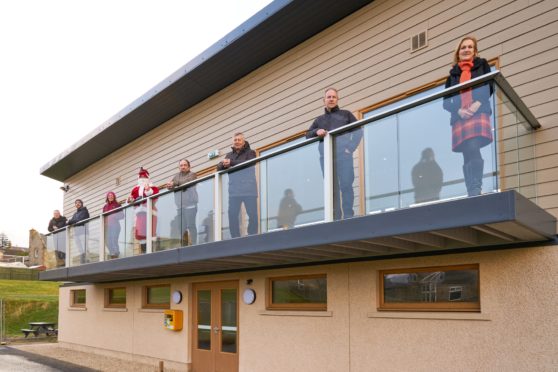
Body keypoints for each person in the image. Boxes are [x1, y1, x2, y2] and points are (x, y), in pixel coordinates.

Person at [443, 36, 493, 197]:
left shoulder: (482, 65)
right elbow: (445, 102)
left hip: (478, 112)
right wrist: (459, 111)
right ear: (458, 52)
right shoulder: (452, 75)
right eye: (463, 47)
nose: (466, 50)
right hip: (460, 117)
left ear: (475, 51)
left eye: (470, 47)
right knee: (466, 152)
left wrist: (477, 104)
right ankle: (471, 190)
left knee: (473, 146)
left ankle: (475, 188)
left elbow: (490, 85)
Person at [306, 87, 362, 219]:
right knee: (332, 188)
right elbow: (307, 135)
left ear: (337, 99)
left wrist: (350, 148)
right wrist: (316, 131)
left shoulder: (346, 114)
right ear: (323, 100)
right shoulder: (319, 120)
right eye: (328, 97)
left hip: (344, 156)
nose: (331, 99)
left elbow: (358, 131)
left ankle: (348, 215)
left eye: (333, 97)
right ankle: (336, 217)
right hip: (326, 158)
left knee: (346, 185)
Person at [217, 133, 258, 238]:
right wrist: (223, 164)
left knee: (252, 214)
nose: (237, 141)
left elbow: (248, 163)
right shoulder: (229, 155)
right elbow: (219, 168)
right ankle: (235, 236)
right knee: (232, 215)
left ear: (243, 141)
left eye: (239, 140)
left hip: (249, 189)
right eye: (235, 140)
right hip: (234, 190)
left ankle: (252, 234)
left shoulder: (251, 152)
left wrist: (231, 163)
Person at [166, 159, 198, 245]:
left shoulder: (192, 174)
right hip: (180, 206)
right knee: (181, 228)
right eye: (181, 165)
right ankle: (184, 246)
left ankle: (194, 244)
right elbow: (172, 186)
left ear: (188, 166)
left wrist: (174, 184)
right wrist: (169, 186)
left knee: (191, 225)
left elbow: (187, 183)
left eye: (185, 165)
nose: (183, 167)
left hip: (190, 205)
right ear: (179, 167)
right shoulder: (176, 176)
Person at [127, 167, 159, 253]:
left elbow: (155, 196)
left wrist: (148, 191)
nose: (142, 179)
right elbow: (131, 199)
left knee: (150, 232)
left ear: (147, 178)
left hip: (150, 213)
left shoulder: (152, 187)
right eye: (140, 177)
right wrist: (130, 200)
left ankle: (152, 251)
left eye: (144, 177)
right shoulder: (135, 189)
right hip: (139, 214)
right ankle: (144, 251)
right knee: (141, 233)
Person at [67, 199, 90, 264]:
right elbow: (71, 222)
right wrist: (69, 222)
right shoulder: (75, 214)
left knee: (85, 247)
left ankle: (88, 260)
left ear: (81, 203)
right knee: (80, 249)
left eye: (79, 202)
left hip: (84, 232)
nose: (77, 204)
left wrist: (71, 221)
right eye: (76, 203)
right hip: (76, 234)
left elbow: (79, 220)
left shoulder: (85, 211)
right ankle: (83, 261)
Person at [103, 191, 124, 259]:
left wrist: (113, 216)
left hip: (115, 225)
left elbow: (122, 215)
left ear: (114, 197)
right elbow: (103, 217)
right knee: (107, 241)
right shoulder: (105, 207)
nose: (110, 196)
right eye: (109, 195)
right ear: (107, 197)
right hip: (107, 226)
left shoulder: (117, 205)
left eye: (112, 195)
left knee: (114, 239)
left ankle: (116, 254)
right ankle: (112, 253)